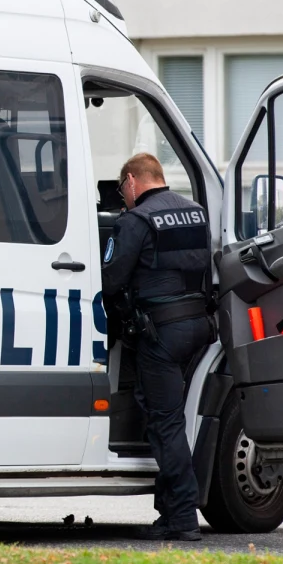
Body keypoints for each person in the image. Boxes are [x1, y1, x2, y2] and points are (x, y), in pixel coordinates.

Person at [102, 153, 213, 542]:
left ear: (132, 181)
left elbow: (112, 280)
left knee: (166, 422)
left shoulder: (136, 221)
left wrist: (120, 322)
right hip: (198, 328)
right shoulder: (195, 212)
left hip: (160, 334)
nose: (123, 197)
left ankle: (182, 519)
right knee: (174, 417)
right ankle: (168, 513)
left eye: (122, 189)